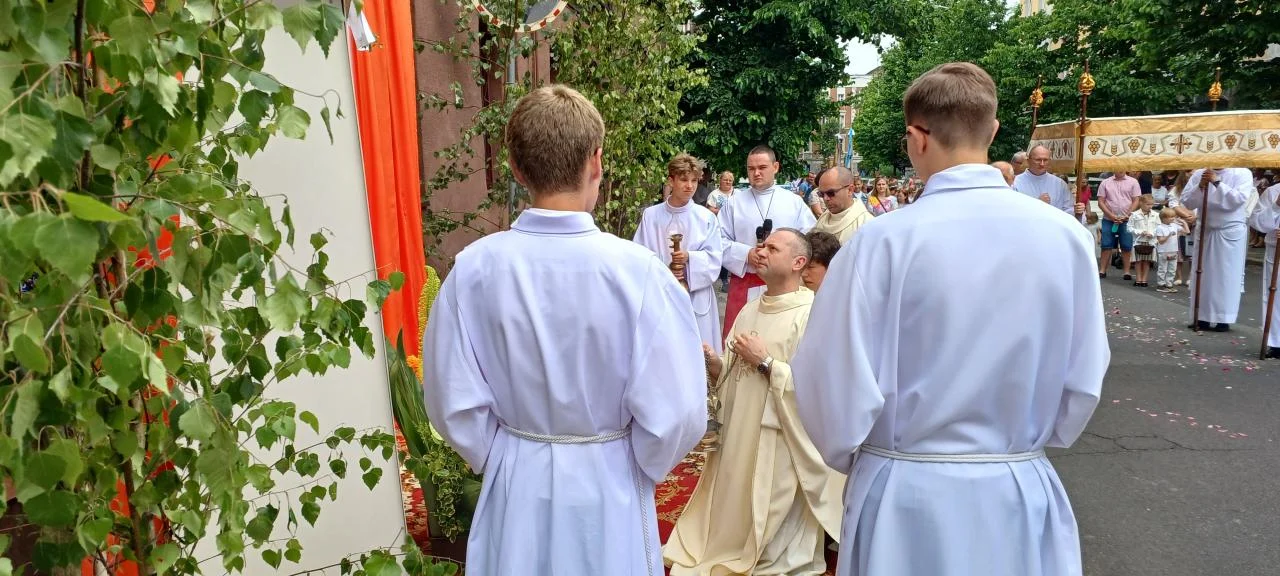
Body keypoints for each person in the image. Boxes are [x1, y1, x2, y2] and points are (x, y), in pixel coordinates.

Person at [792, 62, 1109, 576]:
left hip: (906, 495)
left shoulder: (881, 242)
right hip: (1015, 486)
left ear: (916, 138)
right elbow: (1084, 375)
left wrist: (860, 454)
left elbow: (831, 380)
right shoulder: (1066, 238)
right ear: (993, 130)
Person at [421, 85, 707, 576]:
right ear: (596, 161)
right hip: (608, 482)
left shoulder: (473, 270)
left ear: (515, 168)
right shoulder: (639, 274)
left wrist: (509, 452)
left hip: (516, 479)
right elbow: (679, 413)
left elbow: (451, 400)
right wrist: (628, 460)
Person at [664, 229, 844, 576]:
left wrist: (766, 363)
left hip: (779, 438)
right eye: (762, 245)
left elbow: (820, 389)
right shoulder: (750, 308)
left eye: (772, 248)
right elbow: (735, 374)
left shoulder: (812, 313)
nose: (761, 251)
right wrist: (715, 364)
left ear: (798, 262)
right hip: (741, 428)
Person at [718, 145, 817, 340]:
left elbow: (809, 239)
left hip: (785, 286)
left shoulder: (793, 202)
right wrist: (746, 254)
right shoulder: (734, 203)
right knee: (738, 342)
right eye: (751, 168)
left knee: (779, 341)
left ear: (776, 167)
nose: (756, 173)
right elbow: (717, 241)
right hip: (745, 281)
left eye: (762, 167)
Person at [634, 153, 725, 353]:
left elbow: (714, 259)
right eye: (684, 180)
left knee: (698, 353)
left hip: (696, 296)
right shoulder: (651, 216)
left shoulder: (706, 217)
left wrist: (690, 259)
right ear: (671, 180)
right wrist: (666, 271)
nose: (690, 186)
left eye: (694, 180)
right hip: (661, 294)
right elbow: (639, 257)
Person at [1182, 168, 1253, 332]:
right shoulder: (1199, 173)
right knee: (1202, 274)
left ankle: (1223, 318)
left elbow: (1238, 199)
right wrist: (1200, 186)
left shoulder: (1242, 173)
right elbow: (1187, 201)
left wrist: (1217, 182)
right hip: (1206, 230)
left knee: (1226, 276)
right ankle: (1201, 316)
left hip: (1229, 230)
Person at [1247, 180, 1280, 358]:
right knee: (1276, 296)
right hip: (1276, 251)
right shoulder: (1273, 191)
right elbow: (1257, 222)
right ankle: (1277, 342)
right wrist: (1276, 206)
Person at [1097, 171, 1143, 280]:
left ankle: (1126, 272)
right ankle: (1102, 270)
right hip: (1108, 219)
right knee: (1106, 244)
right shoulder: (1105, 182)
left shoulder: (1133, 182)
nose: (1120, 169)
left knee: (1126, 245)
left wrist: (1127, 215)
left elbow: (1136, 200)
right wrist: (1111, 215)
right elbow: (1100, 201)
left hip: (1127, 219)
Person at [812, 166, 873, 243]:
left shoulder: (866, 224)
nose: (825, 198)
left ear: (850, 190)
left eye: (831, 193)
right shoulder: (823, 218)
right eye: (821, 194)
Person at [1012, 145, 1074, 215]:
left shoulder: (1060, 184)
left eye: (1045, 160)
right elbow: (1012, 210)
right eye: (1038, 160)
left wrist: (1077, 212)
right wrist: (1037, 204)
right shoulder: (1015, 183)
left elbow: (1069, 209)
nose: (1042, 164)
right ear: (1028, 161)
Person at [1155, 207, 1189, 293]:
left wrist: (1184, 223)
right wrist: (1169, 235)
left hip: (1173, 250)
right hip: (1163, 251)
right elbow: (1160, 241)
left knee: (1172, 269)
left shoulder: (1174, 225)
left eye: (1173, 216)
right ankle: (1161, 285)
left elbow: (1187, 232)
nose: (1173, 218)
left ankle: (1169, 285)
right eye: (1170, 217)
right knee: (1162, 269)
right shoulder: (1160, 227)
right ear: (1163, 218)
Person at [1128, 195, 1160, 287]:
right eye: (1148, 204)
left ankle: (1144, 280)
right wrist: (1140, 232)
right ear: (1141, 203)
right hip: (1138, 241)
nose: (1150, 206)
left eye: (1151, 204)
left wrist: (1152, 233)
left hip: (1150, 241)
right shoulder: (1134, 215)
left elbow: (1159, 227)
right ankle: (1138, 279)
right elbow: (1129, 228)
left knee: (1147, 261)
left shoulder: (1156, 215)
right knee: (1138, 261)